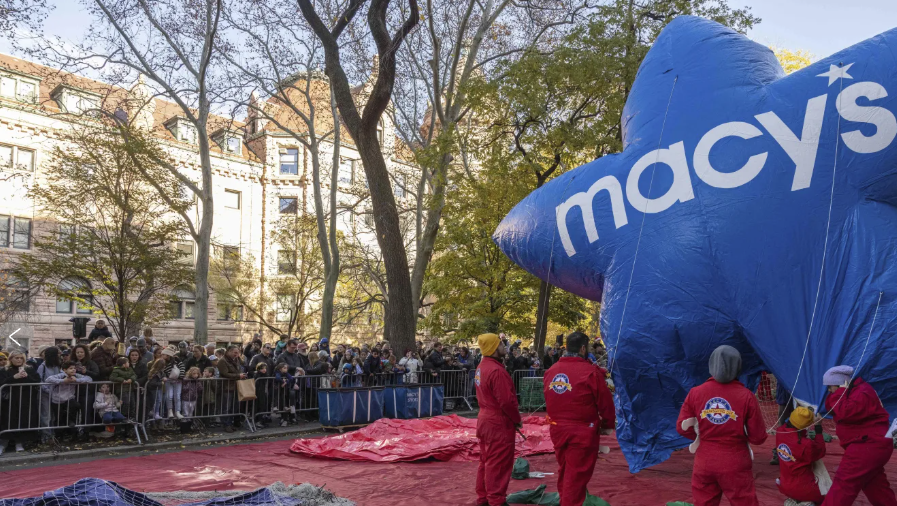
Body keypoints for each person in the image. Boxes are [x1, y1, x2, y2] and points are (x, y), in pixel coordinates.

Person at [676, 345, 767, 506]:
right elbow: (758, 437)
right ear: (738, 366)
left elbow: (682, 427)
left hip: (704, 460)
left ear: (711, 365)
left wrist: (701, 435)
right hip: (736, 461)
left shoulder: (695, 393)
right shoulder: (746, 396)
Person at [543, 331, 615, 506]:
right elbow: (605, 403)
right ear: (583, 348)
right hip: (582, 431)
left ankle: (565, 500)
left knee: (565, 470)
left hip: (558, 429)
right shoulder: (589, 372)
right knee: (576, 476)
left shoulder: (551, 371)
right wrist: (607, 424)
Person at [821, 365, 897, 506]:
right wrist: (839, 393)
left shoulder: (862, 393)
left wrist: (839, 393)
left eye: (830, 387)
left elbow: (845, 412)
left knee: (844, 483)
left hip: (867, 445)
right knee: (875, 486)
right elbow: (831, 407)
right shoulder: (853, 391)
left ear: (840, 385)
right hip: (871, 445)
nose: (829, 391)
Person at [474, 333, 521, 506]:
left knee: (485, 461)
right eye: (501, 344)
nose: (504, 347)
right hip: (497, 422)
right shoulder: (496, 371)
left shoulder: (482, 367)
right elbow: (507, 401)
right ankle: (496, 500)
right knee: (498, 463)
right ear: (494, 348)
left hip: (485, 419)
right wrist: (516, 419)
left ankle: (484, 498)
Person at [775, 406, 828, 505]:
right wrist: (818, 429)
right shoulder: (805, 444)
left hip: (785, 485)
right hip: (804, 489)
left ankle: (795, 500)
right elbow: (821, 451)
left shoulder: (780, 432)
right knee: (830, 494)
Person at [0, 351, 40, 454]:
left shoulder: (29, 369)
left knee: (22, 420)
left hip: (25, 400)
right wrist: (14, 378)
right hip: (9, 400)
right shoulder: (4, 370)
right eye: (16, 358)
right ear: (11, 359)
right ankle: (3, 443)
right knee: (7, 421)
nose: (18, 360)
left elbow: (37, 382)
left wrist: (27, 376)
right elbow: (2, 383)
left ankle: (19, 443)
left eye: (21, 358)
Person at [45, 361, 92, 439]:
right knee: (58, 418)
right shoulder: (61, 375)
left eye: (74, 368)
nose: (73, 370)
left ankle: (72, 431)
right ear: (64, 370)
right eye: (71, 368)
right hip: (57, 400)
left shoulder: (76, 376)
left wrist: (77, 380)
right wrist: (63, 381)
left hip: (69, 398)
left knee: (76, 406)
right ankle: (59, 436)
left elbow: (89, 379)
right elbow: (48, 379)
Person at [217, 345, 246, 433]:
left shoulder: (236, 359)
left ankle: (230, 423)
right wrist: (238, 375)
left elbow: (241, 366)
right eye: (235, 353)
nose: (236, 354)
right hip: (226, 387)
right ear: (229, 351)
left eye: (238, 353)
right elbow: (225, 374)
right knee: (226, 407)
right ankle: (226, 424)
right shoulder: (222, 361)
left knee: (233, 407)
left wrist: (241, 374)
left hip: (235, 386)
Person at [161, 347, 185, 419]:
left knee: (177, 396)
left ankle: (177, 411)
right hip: (168, 380)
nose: (162, 356)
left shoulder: (177, 360)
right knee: (169, 396)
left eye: (164, 354)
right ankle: (170, 410)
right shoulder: (162, 362)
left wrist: (180, 377)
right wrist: (164, 377)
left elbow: (182, 367)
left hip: (178, 381)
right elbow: (161, 371)